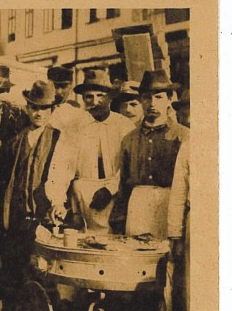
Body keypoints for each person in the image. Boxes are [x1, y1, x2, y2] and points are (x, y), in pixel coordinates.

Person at [0, 80, 73, 311]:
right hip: (15, 219)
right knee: (12, 274)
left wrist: (59, 206)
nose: (38, 113)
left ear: (52, 110)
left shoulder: (59, 141)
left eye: (44, 108)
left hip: (42, 220)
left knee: (39, 275)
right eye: (34, 107)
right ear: (27, 107)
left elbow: (66, 178)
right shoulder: (15, 142)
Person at [110, 69, 189, 237]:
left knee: (169, 258)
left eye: (159, 97)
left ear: (169, 100)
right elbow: (123, 185)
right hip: (138, 207)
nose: (152, 103)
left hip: (170, 204)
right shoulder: (129, 140)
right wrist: (118, 220)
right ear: (141, 100)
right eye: (147, 97)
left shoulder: (183, 136)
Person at [66, 69, 135, 233]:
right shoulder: (74, 126)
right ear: (83, 99)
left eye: (100, 95)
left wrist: (110, 189)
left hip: (115, 192)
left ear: (110, 97)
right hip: (83, 194)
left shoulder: (124, 125)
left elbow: (130, 163)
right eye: (89, 96)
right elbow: (63, 164)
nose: (95, 101)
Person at [167, 138, 190, 311]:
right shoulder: (189, 144)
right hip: (195, 217)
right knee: (191, 291)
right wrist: (176, 234)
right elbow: (179, 192)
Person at [46, 65, 92, 140]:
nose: (58, 91)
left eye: (63, 87)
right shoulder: (39, 109)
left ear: (70, 87)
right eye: (55, 86)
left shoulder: (76, 114)